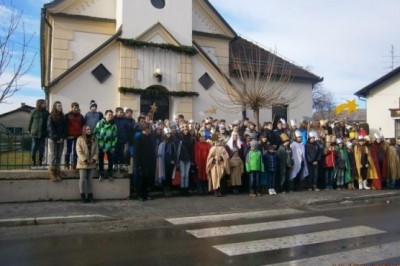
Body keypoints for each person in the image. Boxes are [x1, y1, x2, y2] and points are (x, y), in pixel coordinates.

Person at [76, 125, 99, 203]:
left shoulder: (94, 139)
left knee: (90, 180)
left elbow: (96, 151)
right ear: (84, 130)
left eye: (90, 129)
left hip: (91, 162)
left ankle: (90, 196)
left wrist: (93, 159)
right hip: (83, 163)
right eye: (87, 129)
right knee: (82, 179)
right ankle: (82, 195)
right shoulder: (80, 139)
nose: (89, 130)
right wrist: (85, 160)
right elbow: (78, 151)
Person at [94, 109, 117, 180]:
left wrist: (113, 146)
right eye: (109, 115)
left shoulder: (113, 125)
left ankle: (110, 174)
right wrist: (99, 139)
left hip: (109, 146)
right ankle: (101, 174)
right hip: (101, 145)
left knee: (111, 160)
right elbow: (96, 132)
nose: (110, 116)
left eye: (111, 115)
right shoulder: (100, 123)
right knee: (101, 160)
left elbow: (115, 136)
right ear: (105, 115)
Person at [47, 101, 67, 181]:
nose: (60, 107)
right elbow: (50, 128)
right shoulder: (51, 116)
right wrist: (57, 138)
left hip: (61, 139)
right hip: (53, 139)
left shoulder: (63, 116)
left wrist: (62, 137)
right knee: (53, 156)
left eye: (61, 106)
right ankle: (52, 173)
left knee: (59, 156)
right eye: (58, 106)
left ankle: (58, 172)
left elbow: (65, 128)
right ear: (55, 107)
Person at [134, 122, 154, 201]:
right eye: (149, 129)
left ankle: (146, 194)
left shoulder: (149, 138)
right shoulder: (138, 138)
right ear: (145, 129)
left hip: (148, 162)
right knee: (140, 179)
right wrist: (138, 164)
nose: (150, 130)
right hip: (141, 163)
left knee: (147, 179)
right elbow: (136, 153)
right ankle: (139, 195)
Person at [28, 99, 49, 169]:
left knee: (42, 147)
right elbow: (30, 121)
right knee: (34, 146)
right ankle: (33, 161)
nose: (45, 104)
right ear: (40, 104)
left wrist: (47, 131)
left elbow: (48, 124)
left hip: (43, 133)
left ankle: (40, 161)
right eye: (44, 103)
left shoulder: (46, 113)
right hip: (35, 132)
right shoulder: (34, 112)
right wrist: (29, 130)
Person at [155, 128, 176, 197]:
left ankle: (169, 189)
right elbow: (163, 154)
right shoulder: (162, 143)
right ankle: (165, 190)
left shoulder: (172, 143)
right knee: (165, 176)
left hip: (171, 162)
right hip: (164, 162)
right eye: (167, 134)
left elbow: (173, 152)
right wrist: (169, 160)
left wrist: (173, 160)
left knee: (169, 176)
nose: (169, 135)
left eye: (169, 134)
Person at [64, 102, 85, 170]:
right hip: (70, 135)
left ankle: (74, 164)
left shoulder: (81, 116)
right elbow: (65, 125)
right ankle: (66, 163)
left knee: (76, 151)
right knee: (68, 150)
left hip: (78, 135)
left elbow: (83, 125)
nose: (76, 109)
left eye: (77, 108)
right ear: (72, 108)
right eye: (74, 107)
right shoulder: (67, 115)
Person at [177, 124, 194, 196]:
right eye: (184, 130)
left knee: (186, 175)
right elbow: (178, 150)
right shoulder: (180, 138)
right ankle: (182, 189)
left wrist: (192, 159)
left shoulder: (190, 139)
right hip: (181, 158)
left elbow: (191, 150)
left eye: (186, 130)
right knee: (182, 174)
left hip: (188, 159)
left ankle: (186, 188)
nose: (185, 131)